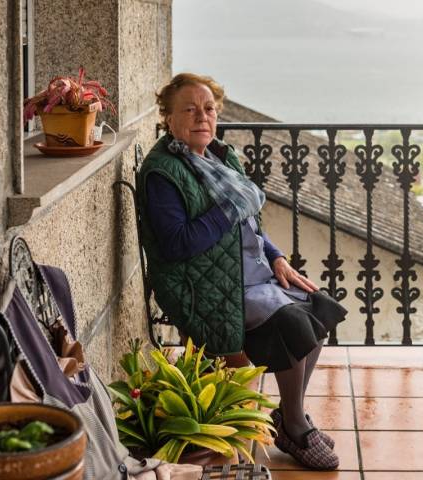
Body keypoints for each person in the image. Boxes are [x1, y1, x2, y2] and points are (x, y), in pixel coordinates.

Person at [135, 73, 346, 470]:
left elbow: (251, 226)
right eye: (190, 109)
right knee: (290, 325)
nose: (202, 117)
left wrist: (278, 256)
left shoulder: (218, 157)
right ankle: (296, 427)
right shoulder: (163, 172)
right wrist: (226, 210)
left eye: (209, 109)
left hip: (250, 272)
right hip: (205, 285)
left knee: (318, 309)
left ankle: (287, 414)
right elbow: (176, 244)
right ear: (168, 117)